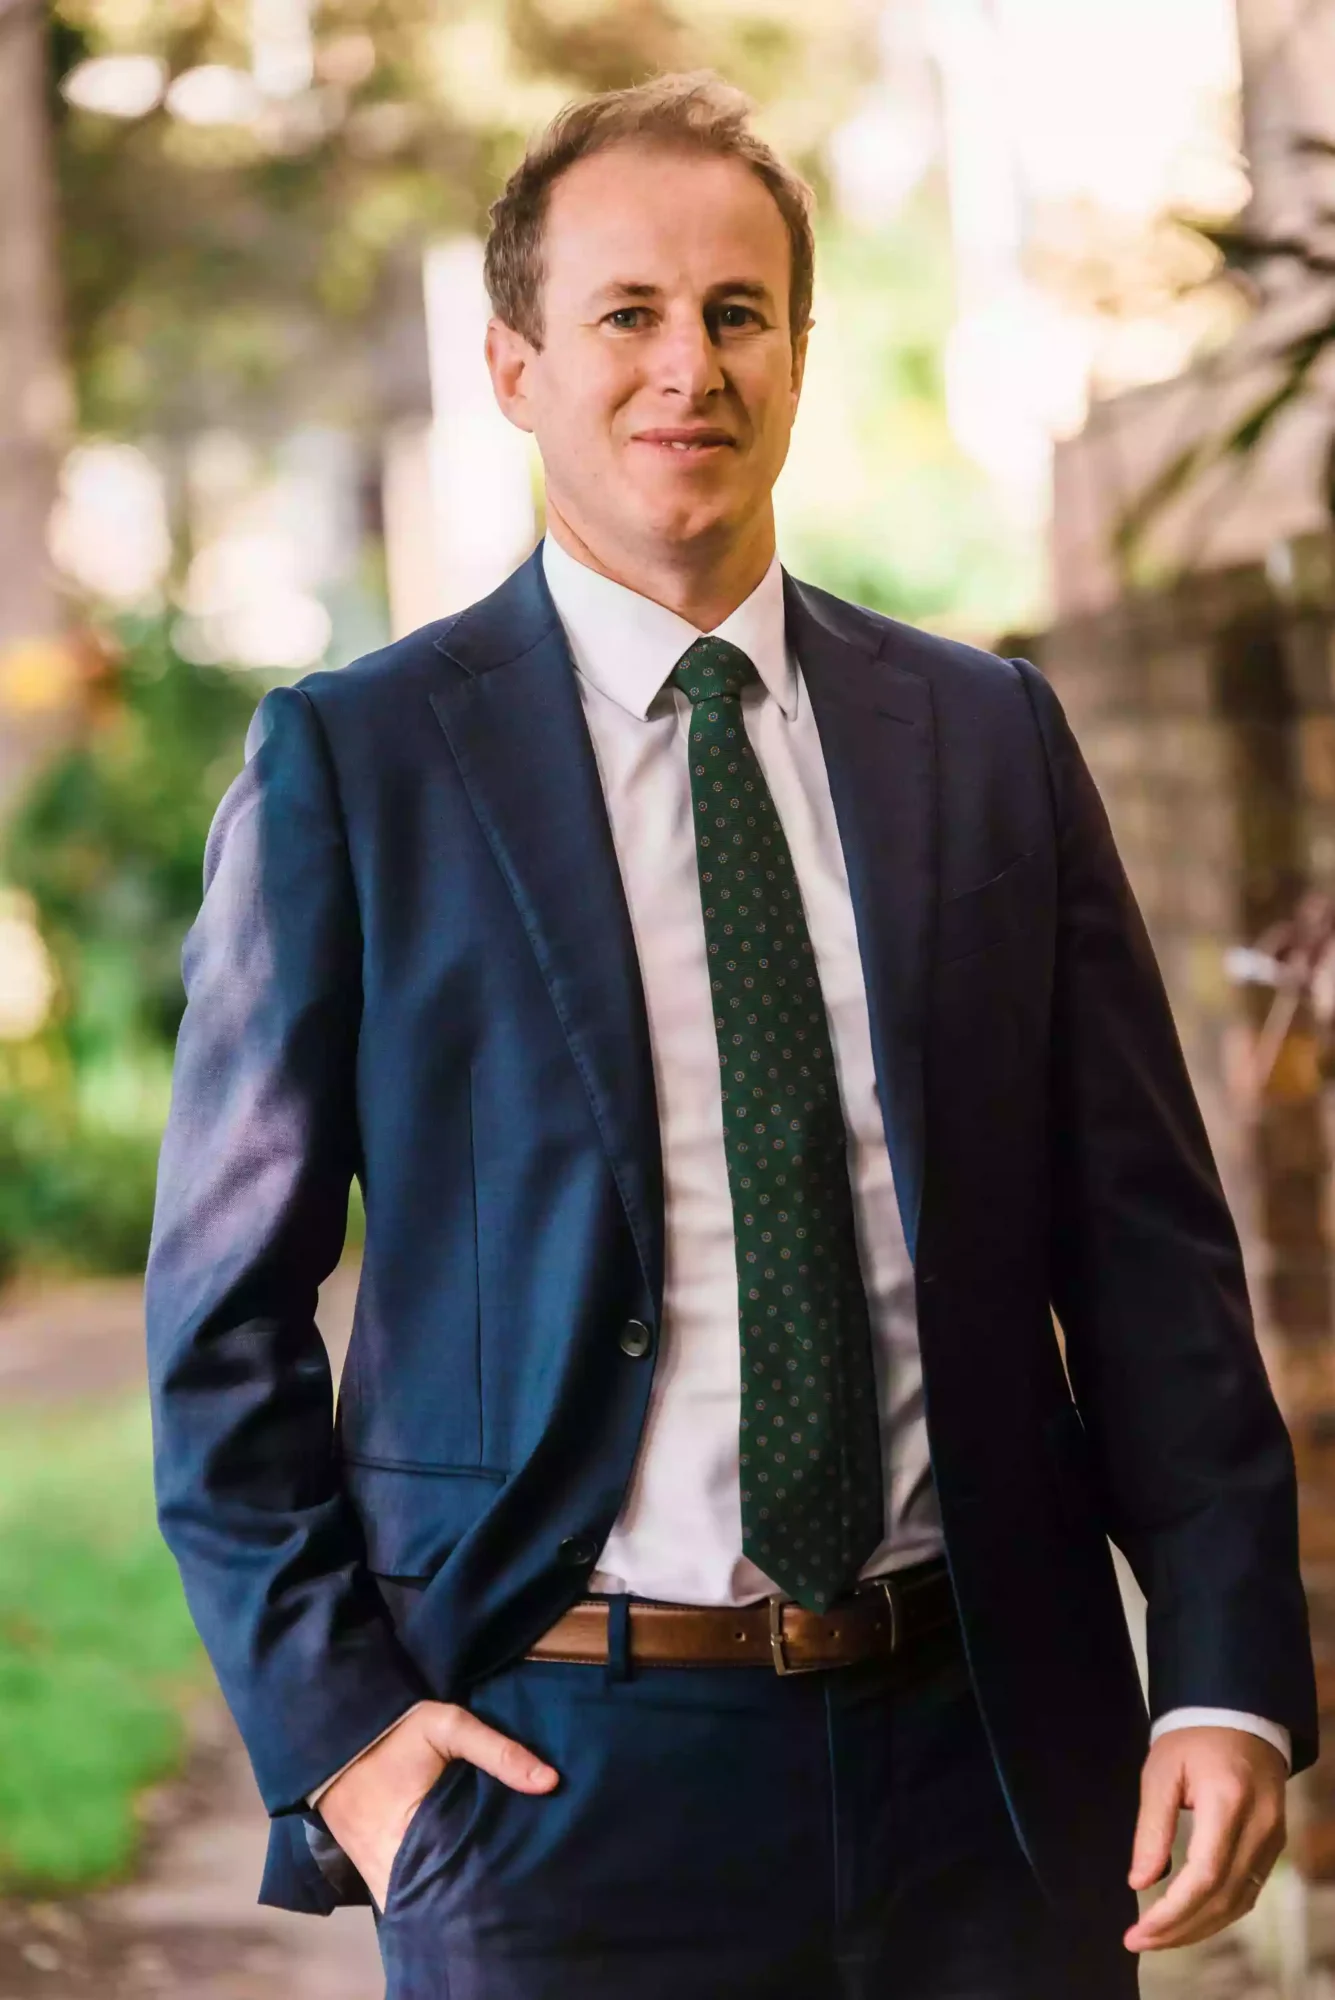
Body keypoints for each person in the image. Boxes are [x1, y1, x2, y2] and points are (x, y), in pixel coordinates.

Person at [145, 70, 1317, 2000]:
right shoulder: (355, 767)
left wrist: (1218, 1677)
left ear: (794, 353)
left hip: (991, 1769)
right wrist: (351, 1748)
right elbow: (223, 1322)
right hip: (555, 1784)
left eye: (735, 312)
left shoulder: (985, 738)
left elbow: (1148, 1258)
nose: (685, 366)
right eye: (625, 314)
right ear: (516, 364)